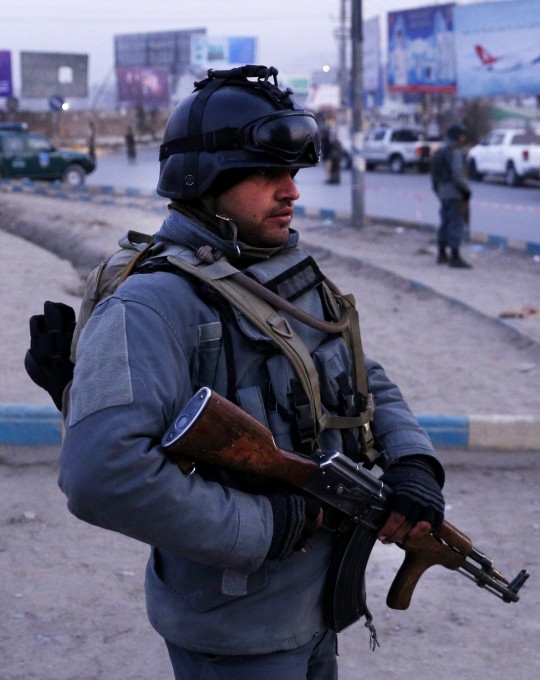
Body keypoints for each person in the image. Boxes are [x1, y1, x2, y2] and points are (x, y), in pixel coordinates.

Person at [55, 65, 445, 680]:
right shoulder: (155, 302)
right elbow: (101, 475)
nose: (290, 190)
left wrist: (412, 462)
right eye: (267, 174)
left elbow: (356, 371)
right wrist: (266, 525)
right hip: (235, 631)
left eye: (292, 173)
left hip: (310, 609)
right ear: (204, 180)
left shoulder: (281, 273)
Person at [430, 122, 472, 269]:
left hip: (443, 192)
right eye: (462, 136)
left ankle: (442, 254)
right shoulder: (455, 152)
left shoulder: (441, 151)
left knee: (445, 223)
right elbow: (458, 175)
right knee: (456, 223)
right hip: (455, 193)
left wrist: (438, 191)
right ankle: (455, 256)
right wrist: (467, 191)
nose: (463, 138)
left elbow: (434, 177)